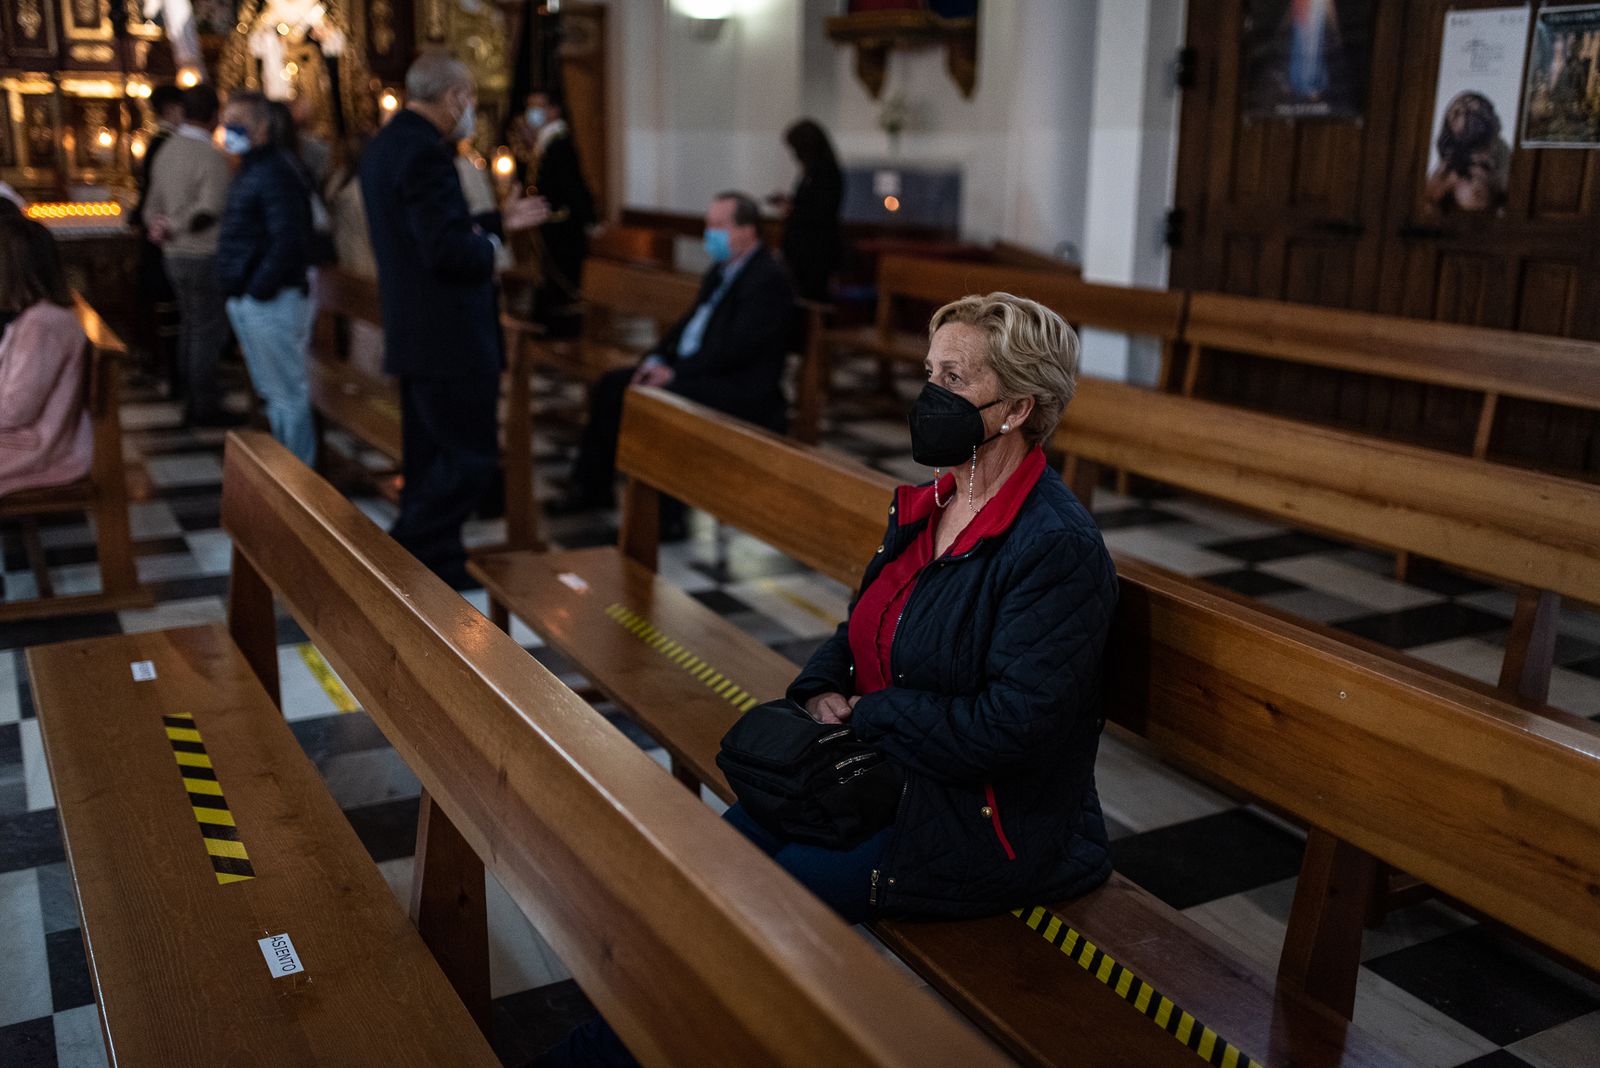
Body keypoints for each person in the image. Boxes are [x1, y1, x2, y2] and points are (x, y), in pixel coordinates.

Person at [537, 293, 1117, 1067]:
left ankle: (594, 1058)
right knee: (703, 878)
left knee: (757, 921)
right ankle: (616, 1043)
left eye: (953, 378)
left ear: (1016, 409)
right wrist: (818, 689)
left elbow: (1011, 727)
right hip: (885, 773)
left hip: (986, 822)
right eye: (930, 372)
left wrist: (871, 715)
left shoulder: (1054, 546)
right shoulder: (937, 501)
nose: (929, 394)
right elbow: (862, 627)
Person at [360, 52, 547, 587]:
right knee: (468, 456)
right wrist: (491, 247)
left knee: (428, 456)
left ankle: (430, 560)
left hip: (418, 330)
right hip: (450, 336)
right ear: (455, 97)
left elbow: (427, 226)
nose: (470, 111)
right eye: (470, 99)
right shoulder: (426, 154)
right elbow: (446, 251)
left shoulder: (387, 145)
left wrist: (496, 220)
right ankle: (410, 552)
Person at [554, 191, 794, 524]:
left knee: (661, 399)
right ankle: (592, 488)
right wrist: (655, 360)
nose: (710, 234)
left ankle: (667, 517)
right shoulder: (721, 270)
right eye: (708, 225)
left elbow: (734, 349)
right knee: (612, 385)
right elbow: (687, 325)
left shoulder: (766, 278)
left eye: (718, 226)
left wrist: (675, 374)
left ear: (747, 230)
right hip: (698, 370)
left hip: (739, 385)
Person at [216, 90, 317, 465]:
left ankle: (298, 477)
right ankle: (285, 472)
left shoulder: (275, 171)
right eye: (226, 122)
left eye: (237, 123)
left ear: (262, 128)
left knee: (287, 394)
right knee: (274, 393)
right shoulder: (253, 168)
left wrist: (257, 289)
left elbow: (288, 239)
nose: (228, 130)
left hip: (272, 298)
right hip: (254, 295)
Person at [144, 83, 237, 427]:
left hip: (173, 255)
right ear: (214, 116)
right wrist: (178, 225)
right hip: (203, 253)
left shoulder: (166, 150)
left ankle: (191, 396)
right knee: (207, 330)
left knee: (190, 325)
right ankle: (204, 405)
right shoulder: (211, 156)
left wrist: (161, 227)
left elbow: (151, 206)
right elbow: (210, 210)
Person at [0, 217, 92, 499]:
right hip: (26, 440)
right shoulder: (40, 316)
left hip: (37, 448)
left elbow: (16, 410)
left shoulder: (42, 325)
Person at [510, 88, 596, 336]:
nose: (532, 113)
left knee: (562, 288)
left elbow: (572, 186)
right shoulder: (545, 141)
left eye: (538, 106)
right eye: (529, 107)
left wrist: (589, 219)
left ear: (554, 110)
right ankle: (547, 335)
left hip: (563, 229)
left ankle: (561, 338)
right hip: (551, 228)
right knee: (547, 284)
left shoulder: (559, 142)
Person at [771, 118, 843, 303]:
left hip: (815, 251)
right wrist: (791, 203)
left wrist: (792, 209)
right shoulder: (810, 172)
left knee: (810, 300)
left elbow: (821, 212)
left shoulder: (826, 172)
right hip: (800, 249)